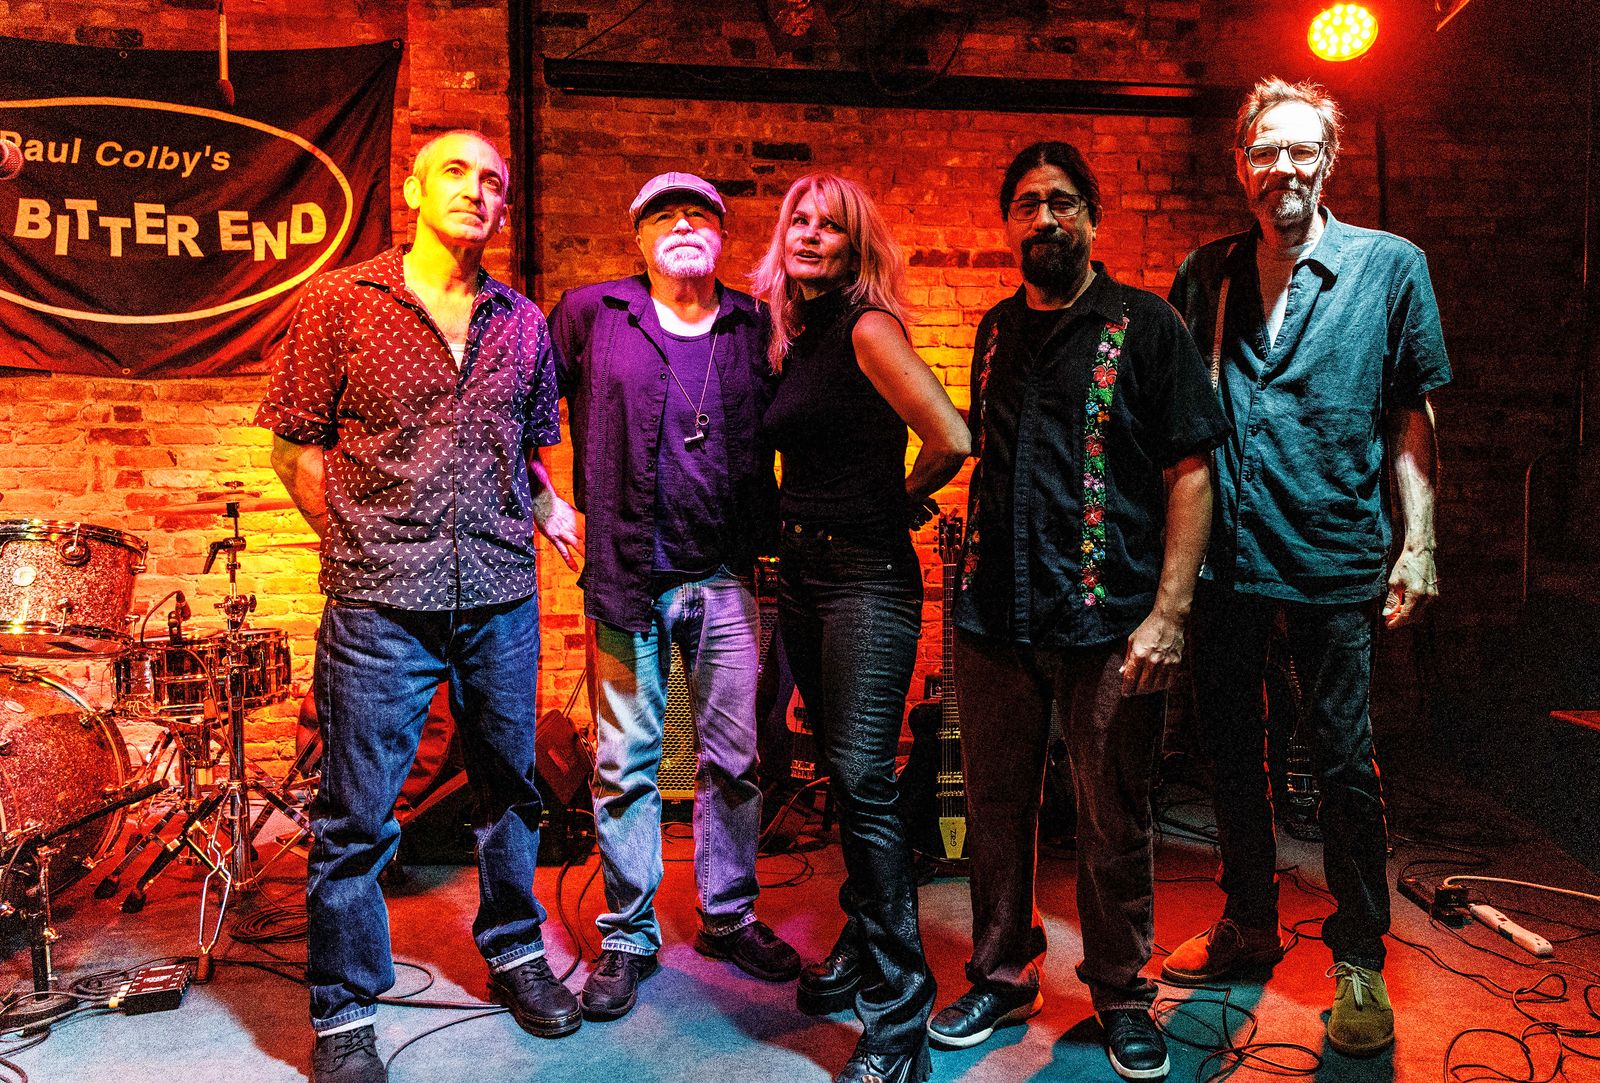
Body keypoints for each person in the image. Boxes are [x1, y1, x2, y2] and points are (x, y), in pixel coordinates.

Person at [258, 130, 579, 1083]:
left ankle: (515, 950)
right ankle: (345, 1007)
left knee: (511, 789)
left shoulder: (523, 322)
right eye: (456, 173)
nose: (476, 191)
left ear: (503, 207)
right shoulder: (342, 302)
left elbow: (526, 453)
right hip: (379, 604)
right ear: (411, 190)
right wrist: (359, 544)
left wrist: (552, 507)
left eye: (493, 182)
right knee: (357, 813)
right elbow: (294, 448)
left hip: (500, 595)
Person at [926, 141, 1227, 1083]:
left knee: (1113, 814)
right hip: (995, 618)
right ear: (1007, 222)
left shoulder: (1148, 326)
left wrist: (1170, 612)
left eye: (1062, 201)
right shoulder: (993, 330)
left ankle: (1122, 992)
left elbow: (1191, 471)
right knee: (996, 809)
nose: (1045, 218)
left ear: (1093, 216)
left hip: (1109, 620)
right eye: (1026, 203)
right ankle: (1001, 974)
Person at [1165, 77, 1449, 1058]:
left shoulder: (1389, 266)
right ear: (1240, 164)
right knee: (1228, 754)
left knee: (1341, 766)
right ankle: (1248, 920)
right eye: (1264, 151)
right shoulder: (1206, 274)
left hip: (1333, 556)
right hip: (1226, 560)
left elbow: (1411, 414)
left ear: (1327, 160)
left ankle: (1359, 955)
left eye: (1300, 149)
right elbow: (1178, 424)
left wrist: (1418, 543)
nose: (1281, 167)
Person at [540, 172, 800, 1023]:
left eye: (700, 215)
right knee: (625, 766)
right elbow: (523, 403)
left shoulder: (755, 324)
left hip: (725, 577)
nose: (683, 224)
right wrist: (545, 500)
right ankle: (628, 933)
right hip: (626, 578)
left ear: (722, 238)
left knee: (735, 758)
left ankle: (728, 914)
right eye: (663, 215)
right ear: (639, 237)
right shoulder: (592, 314)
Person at [754, 172, 970, 1083]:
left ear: (855, 247)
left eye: (830, 226)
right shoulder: (793, 337)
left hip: (865, 581)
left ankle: (899, 1016)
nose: (810, 235)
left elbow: (951, 436)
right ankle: (859, 932)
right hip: (802, 577)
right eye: (798, 221)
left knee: (863, 780)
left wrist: (898, 500)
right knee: (847, 779)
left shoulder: (867, 327)